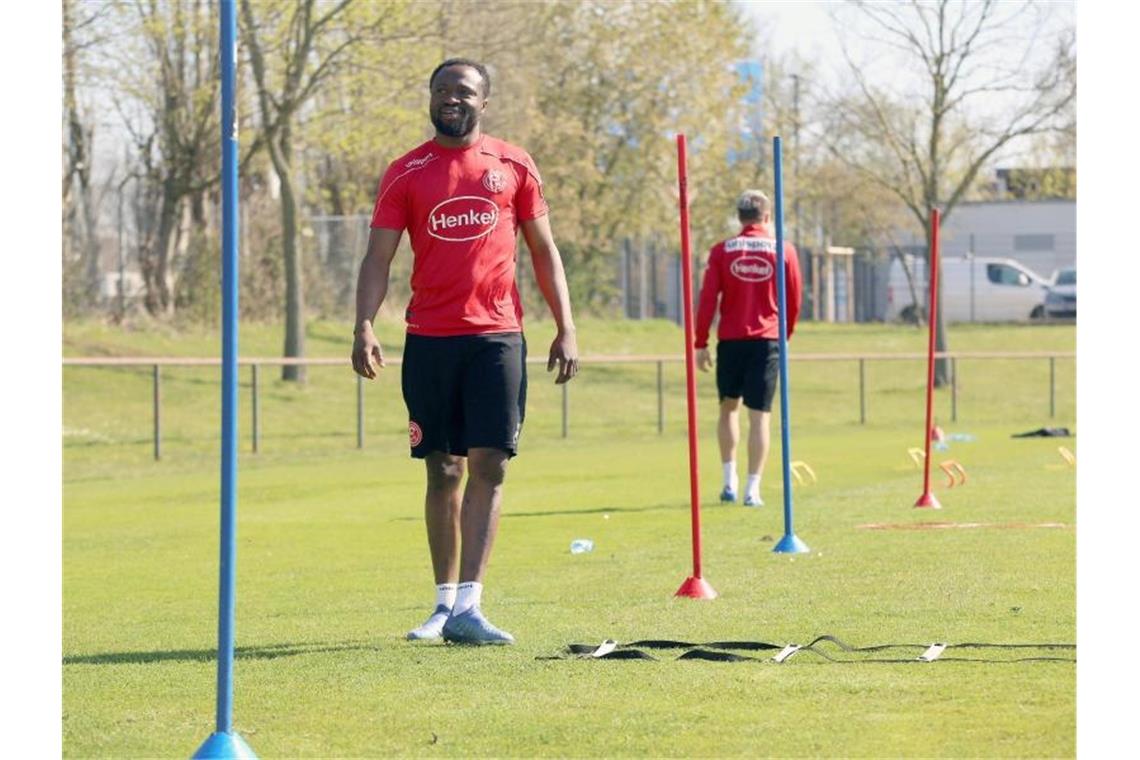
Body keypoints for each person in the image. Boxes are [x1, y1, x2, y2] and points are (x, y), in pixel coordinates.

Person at [351, 58, 579, 645]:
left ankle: (472, 608)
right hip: (429, 339)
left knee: (490, 463)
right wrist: (363, 325)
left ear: (485, 101)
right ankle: (442, 604)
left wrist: (566, 326)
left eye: (464, 91)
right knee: (443, 468)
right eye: (442, 90)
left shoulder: (513, 165)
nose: (451, 98)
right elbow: (378, 258)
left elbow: (544, 251)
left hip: (497, 337)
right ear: (430, 98)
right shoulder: (406, 172)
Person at [694, 190, 802, 507]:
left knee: (728, 408)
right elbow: (794, 300)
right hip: (767, 341)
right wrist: (786, 336)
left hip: (730, 341)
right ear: (767, 218)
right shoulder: (784, 250)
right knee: (760, 417)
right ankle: (752, 489)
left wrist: (700, 342)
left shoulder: (722, 250)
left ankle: (730, 481)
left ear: (739, 217)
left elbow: (707, 299)